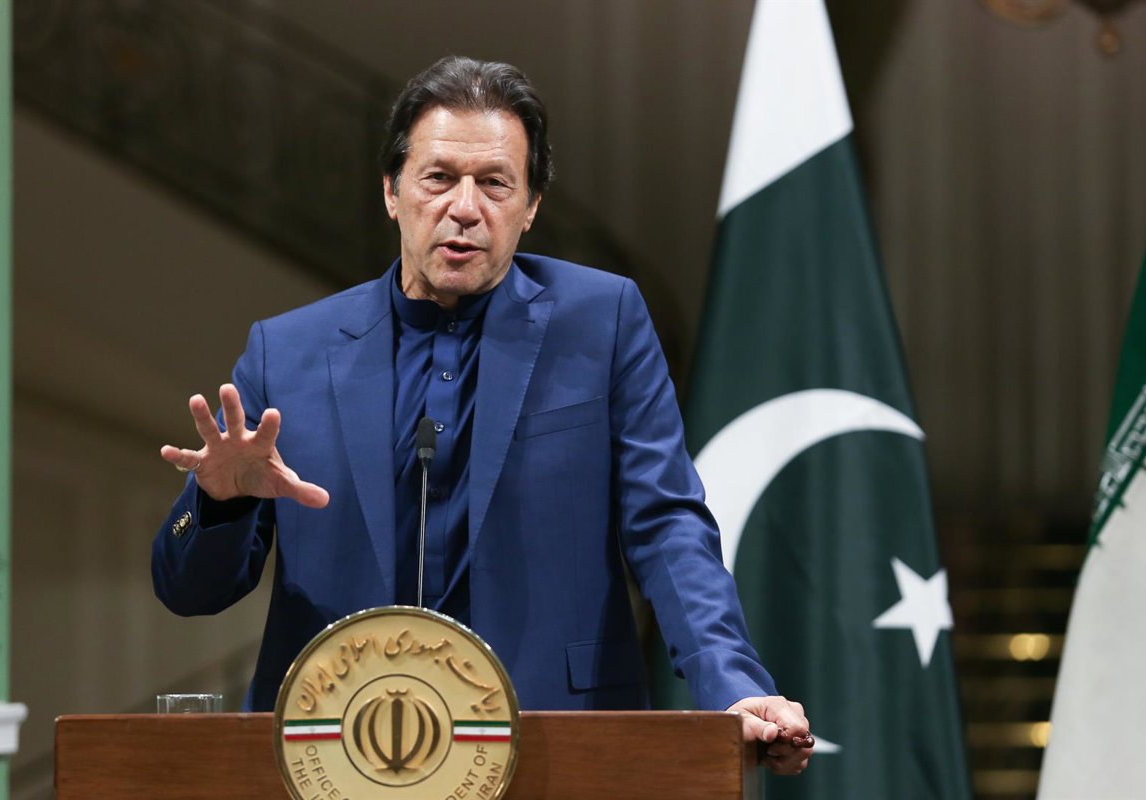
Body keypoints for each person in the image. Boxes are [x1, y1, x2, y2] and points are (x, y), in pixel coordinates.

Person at [153, 55, 813, 775]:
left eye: (495, 183)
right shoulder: (286, 352)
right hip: (339, 746)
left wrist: (731, 682)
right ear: (391, 192)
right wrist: (219, 503)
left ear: (531, 206)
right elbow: (189, 591)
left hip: (555, 739)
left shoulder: (604, 322)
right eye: (438, 178)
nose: (465, 207)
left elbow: (667, 525)